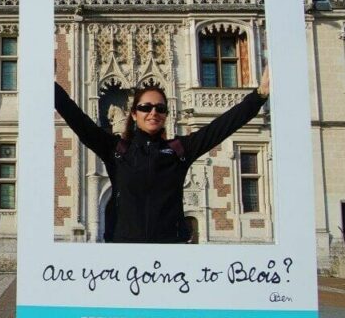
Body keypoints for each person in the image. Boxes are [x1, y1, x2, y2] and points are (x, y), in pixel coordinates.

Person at [54, 68, 270, 243]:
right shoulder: (117, 151)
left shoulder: (179, 151)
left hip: (170, 255)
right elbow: (78, 121)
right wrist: (48, 83)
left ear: (167, 114)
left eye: (160, 108)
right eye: (145, 107)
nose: (153, 112)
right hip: (125, 254)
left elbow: (221, 126)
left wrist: (259, 94)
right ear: (134, 113)